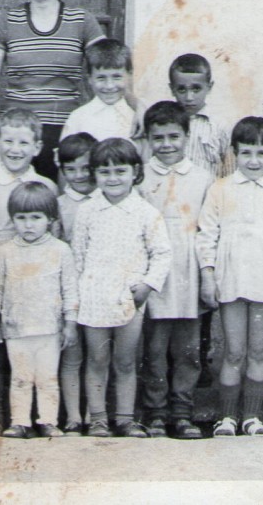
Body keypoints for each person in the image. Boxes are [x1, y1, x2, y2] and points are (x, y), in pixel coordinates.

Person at [196, 117, 263, 437]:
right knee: (233, 351)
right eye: (246, 153)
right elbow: (206, 234)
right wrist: (208, 275)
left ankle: (252, 418)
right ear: (234, 153)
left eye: (261, 153)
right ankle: (227, 418)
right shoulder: (220, 189)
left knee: (258, 352)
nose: (254, 161)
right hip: (231, 282)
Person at [71, 138, 172, 438]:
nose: (112, 178)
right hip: (94, 298)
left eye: (120, 171)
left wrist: (147, 286)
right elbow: (78, 256)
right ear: (95, 174)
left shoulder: (145, 212)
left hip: (129, 298)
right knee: (97, 360)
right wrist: (79, 296)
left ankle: (126, 419)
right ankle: (98, 419)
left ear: (135, 172)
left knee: (126, 361)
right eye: (104, 172)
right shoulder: (87, 211)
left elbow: (162, 253)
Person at [0, 0, 105, 181]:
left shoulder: (82, 21)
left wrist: (137, 105)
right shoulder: (6, 21)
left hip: (66, 132)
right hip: (16, 134)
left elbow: (109, 70)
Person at [136, 102, 213, 440]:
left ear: (186, 136)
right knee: (154, 350)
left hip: (188, 275)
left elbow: (208, 229)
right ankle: (155, 413)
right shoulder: (140, 177)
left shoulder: (202, 178)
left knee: (188, 351)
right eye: (158, 138)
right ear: (148, 139)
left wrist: (207, 274)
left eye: (173, 136)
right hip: (155, 277)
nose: (166, 144)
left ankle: (182, 412)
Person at [0, 108, 58, 436]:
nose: (15, 149)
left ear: (37, 147)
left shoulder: (45, 185)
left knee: (37, 356)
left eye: (23, 142)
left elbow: (55, 237)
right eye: (8, 141)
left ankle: (43, 418)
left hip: (36, 284)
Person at [0, 182, 76, 439]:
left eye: (36, 218)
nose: (28, 225)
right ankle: (19, 422)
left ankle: (48, 420)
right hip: (16, 328)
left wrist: (70, 323)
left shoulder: (60, 250)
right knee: (20, 378)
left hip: (49, 328)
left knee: (47, 378)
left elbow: (70, 289)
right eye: (21, 218)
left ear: (50, 219)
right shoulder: (6, 251)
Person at [168, 53, 233, 388]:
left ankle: (202, 357)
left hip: (204, 220)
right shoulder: (167, 123)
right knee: (173, 289)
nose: (189, 96)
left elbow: (226, 172)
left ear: (209, 87)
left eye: (196, 88)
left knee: (203, 292)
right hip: (172, 219)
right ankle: (171, 360)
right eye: (181, 89)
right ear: (171, 89)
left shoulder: (218, 127)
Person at [53, 131, 97, 435]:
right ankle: (72, 416)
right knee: (71, 355)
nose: (79, 175)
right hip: (68, 291)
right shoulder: (59, 204)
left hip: (97, 290)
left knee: (97, 354)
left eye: (85, 168)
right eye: (71, 169)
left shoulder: (105, 199)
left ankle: (95, 414)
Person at [59, 39, 142, 144]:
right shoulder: (78, 118)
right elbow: (67, 152)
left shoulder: (137, 115)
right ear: (89, 78)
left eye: (116, 77)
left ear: (129, 75)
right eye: (101, 78)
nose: (109, 86)